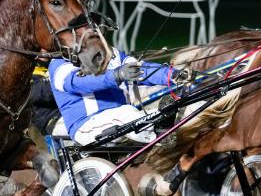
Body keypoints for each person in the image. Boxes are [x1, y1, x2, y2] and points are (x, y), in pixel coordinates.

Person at [48, 48, 189, 146]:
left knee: (152, 111)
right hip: (86, 125)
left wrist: (172, 75)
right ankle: (160, 132)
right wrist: (116, 75)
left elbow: (140, 70)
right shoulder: (59, 64)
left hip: (123, 117)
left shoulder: (111, 53)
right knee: (126, 114)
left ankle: (162, 124)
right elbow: (78, 83)